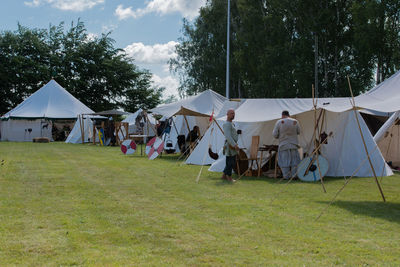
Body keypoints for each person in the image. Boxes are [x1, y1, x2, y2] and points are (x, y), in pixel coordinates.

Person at [272, 110, 301, 179]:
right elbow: (298, 132)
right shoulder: (295, 121)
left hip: (283, 144)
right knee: (294, 161)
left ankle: (286, 176)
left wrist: (280, 136)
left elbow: (275, 134)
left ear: (282, 115)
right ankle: (294, 176)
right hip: (294, 144)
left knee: (284, 161)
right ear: (289, 115)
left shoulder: (279, 122)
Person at [222, 109, 239, 182]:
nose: (233, 114)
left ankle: (223, 176)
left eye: (234, 113)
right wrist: (235, 145)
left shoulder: (231, 123)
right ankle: (229, 177)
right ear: (227, 114)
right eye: (231, 113)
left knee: (229, 161)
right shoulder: (227, 124)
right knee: (231, 162)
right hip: (230, 146)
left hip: (231, 145)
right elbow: (228, 136)